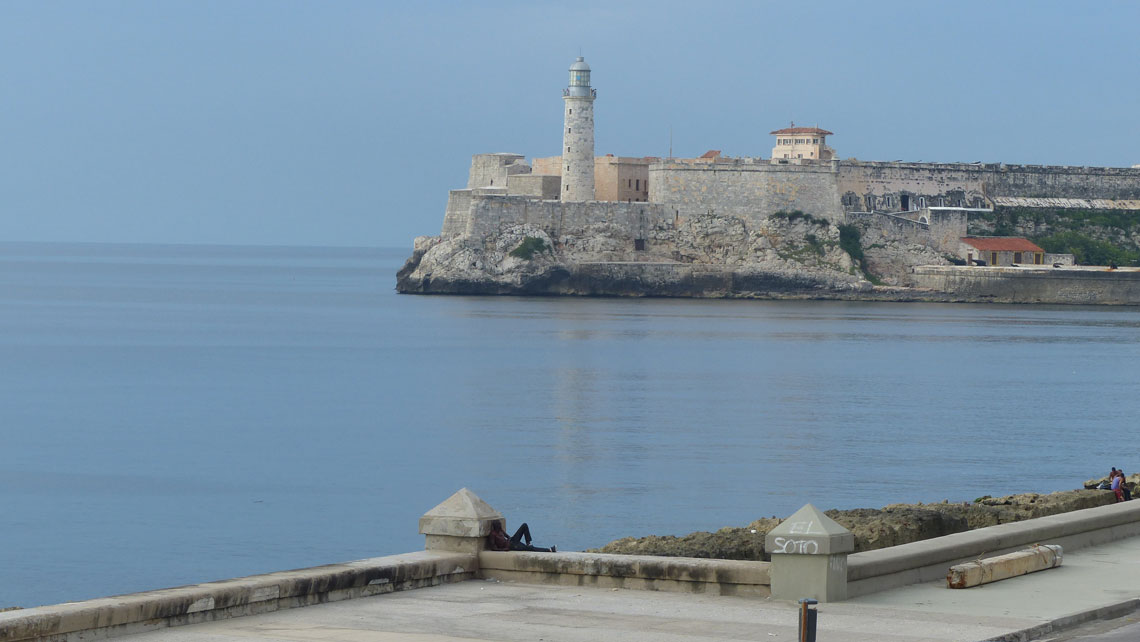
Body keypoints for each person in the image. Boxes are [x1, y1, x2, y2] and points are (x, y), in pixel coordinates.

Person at [487, 520, 556, 553]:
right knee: (531, 549)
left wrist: (510, 539)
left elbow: (508, 536)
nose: (500, 526)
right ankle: (549, 550)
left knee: (524, 525)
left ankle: (528, 542)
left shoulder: (500, 530)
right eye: (499, 525)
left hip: (512, 541)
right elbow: (493, 548)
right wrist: (504, 549)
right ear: (495, 527)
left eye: (500, 525)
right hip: (511, 546)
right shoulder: (493, 534)